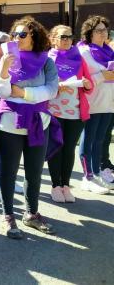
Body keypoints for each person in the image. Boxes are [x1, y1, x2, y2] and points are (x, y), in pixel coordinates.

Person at [0, 16, 60, 239]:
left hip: (38, 122)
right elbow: (1, 92)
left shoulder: (46, 61)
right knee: (8, 172)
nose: (16, 39)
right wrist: (5, 70)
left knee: (34, 171)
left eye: (22, 34)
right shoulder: (6, 60)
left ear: (34, 36)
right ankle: (8, 215)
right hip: (10, 123)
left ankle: (31, 214)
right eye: (14, 35)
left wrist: (24, 94)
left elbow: (52, 90)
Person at [47, 25, 94, 202]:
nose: (67, 40)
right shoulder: (47, 59)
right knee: (56, 149)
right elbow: (44, 84)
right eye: (62, 37)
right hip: (54, 111)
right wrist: (56, 86)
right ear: (53, 39)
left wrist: (87, 85)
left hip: (75, 112)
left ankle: (65, 186)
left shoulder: (79, 58)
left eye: (69, 36)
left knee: (68, 150)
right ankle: (55, 186)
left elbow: (89, 83)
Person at [77, 15, 114, 192]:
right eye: (98, 30)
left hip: (108, 103)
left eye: (104, 30)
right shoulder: (83, 51)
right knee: (89, 139)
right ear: (89, 33)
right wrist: (103, 76)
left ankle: (97, 174)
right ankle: (87, 177)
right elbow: (84, 78)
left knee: (100, 140)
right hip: (91, 103)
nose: (102, 33)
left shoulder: (109, 51)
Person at [0, 31, 24, 195]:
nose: (11, 45)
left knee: (11, 146)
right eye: (5, 43)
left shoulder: (18, 61)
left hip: (13, 105)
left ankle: (10, 179)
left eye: (11, 42)